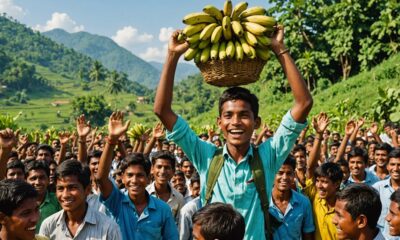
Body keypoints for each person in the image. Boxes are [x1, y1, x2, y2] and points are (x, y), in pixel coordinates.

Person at [154, 25, 312, 239]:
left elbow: (303, 103)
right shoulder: (207, 157)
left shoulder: (268, 156)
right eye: (228, 116)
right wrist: (172, 55)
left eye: (244, 115)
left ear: (256, 122)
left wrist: (279, 48)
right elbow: (162, 111)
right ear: (219, 122)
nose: (235, 122)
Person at [96, 112, 178, 240]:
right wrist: (112, 140)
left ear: (148, 178)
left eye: (140, 175)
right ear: (123, 178)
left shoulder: (163, 209)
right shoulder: (117, 202)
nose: (134, 180)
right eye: (130, 175)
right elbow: (101, 178)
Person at [39, 159, 121, 239]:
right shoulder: (48, 226)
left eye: (72, 188)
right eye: (60, 188)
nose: (65, 195)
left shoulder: (108, 228)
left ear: (88, 189)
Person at [303, 112, 342, 240]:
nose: (319, 185)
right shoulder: (315, 196)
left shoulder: (344, 206)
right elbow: (310, 167)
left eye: (324, 182)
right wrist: (319, 135)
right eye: (318, 181)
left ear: (337, 184)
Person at [269, 156, 315, 239]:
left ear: (294, 175)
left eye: (289, 173)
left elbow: (308, 234)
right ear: (272, 174)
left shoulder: (304, 202)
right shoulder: (261, 201)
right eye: (280, 173)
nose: (285, 177)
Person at [146, 150, 184, 222]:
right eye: (159, 167)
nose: (163, 171)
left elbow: (179, 226)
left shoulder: (179, 198)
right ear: (152, 169)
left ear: (173, 171)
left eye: (167, 167)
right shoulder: (144, 194)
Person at [25, 160, 61, 232]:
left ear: (48, 180)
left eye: (42, 178)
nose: (37, 182)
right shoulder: (20, 203)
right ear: (25, 180)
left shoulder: (58, 200)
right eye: (33, 178)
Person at [373, 148, 400, 239]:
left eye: (399, 165)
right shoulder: (377, 188)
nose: (396, 169)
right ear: (387, 166)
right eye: (392, 164)